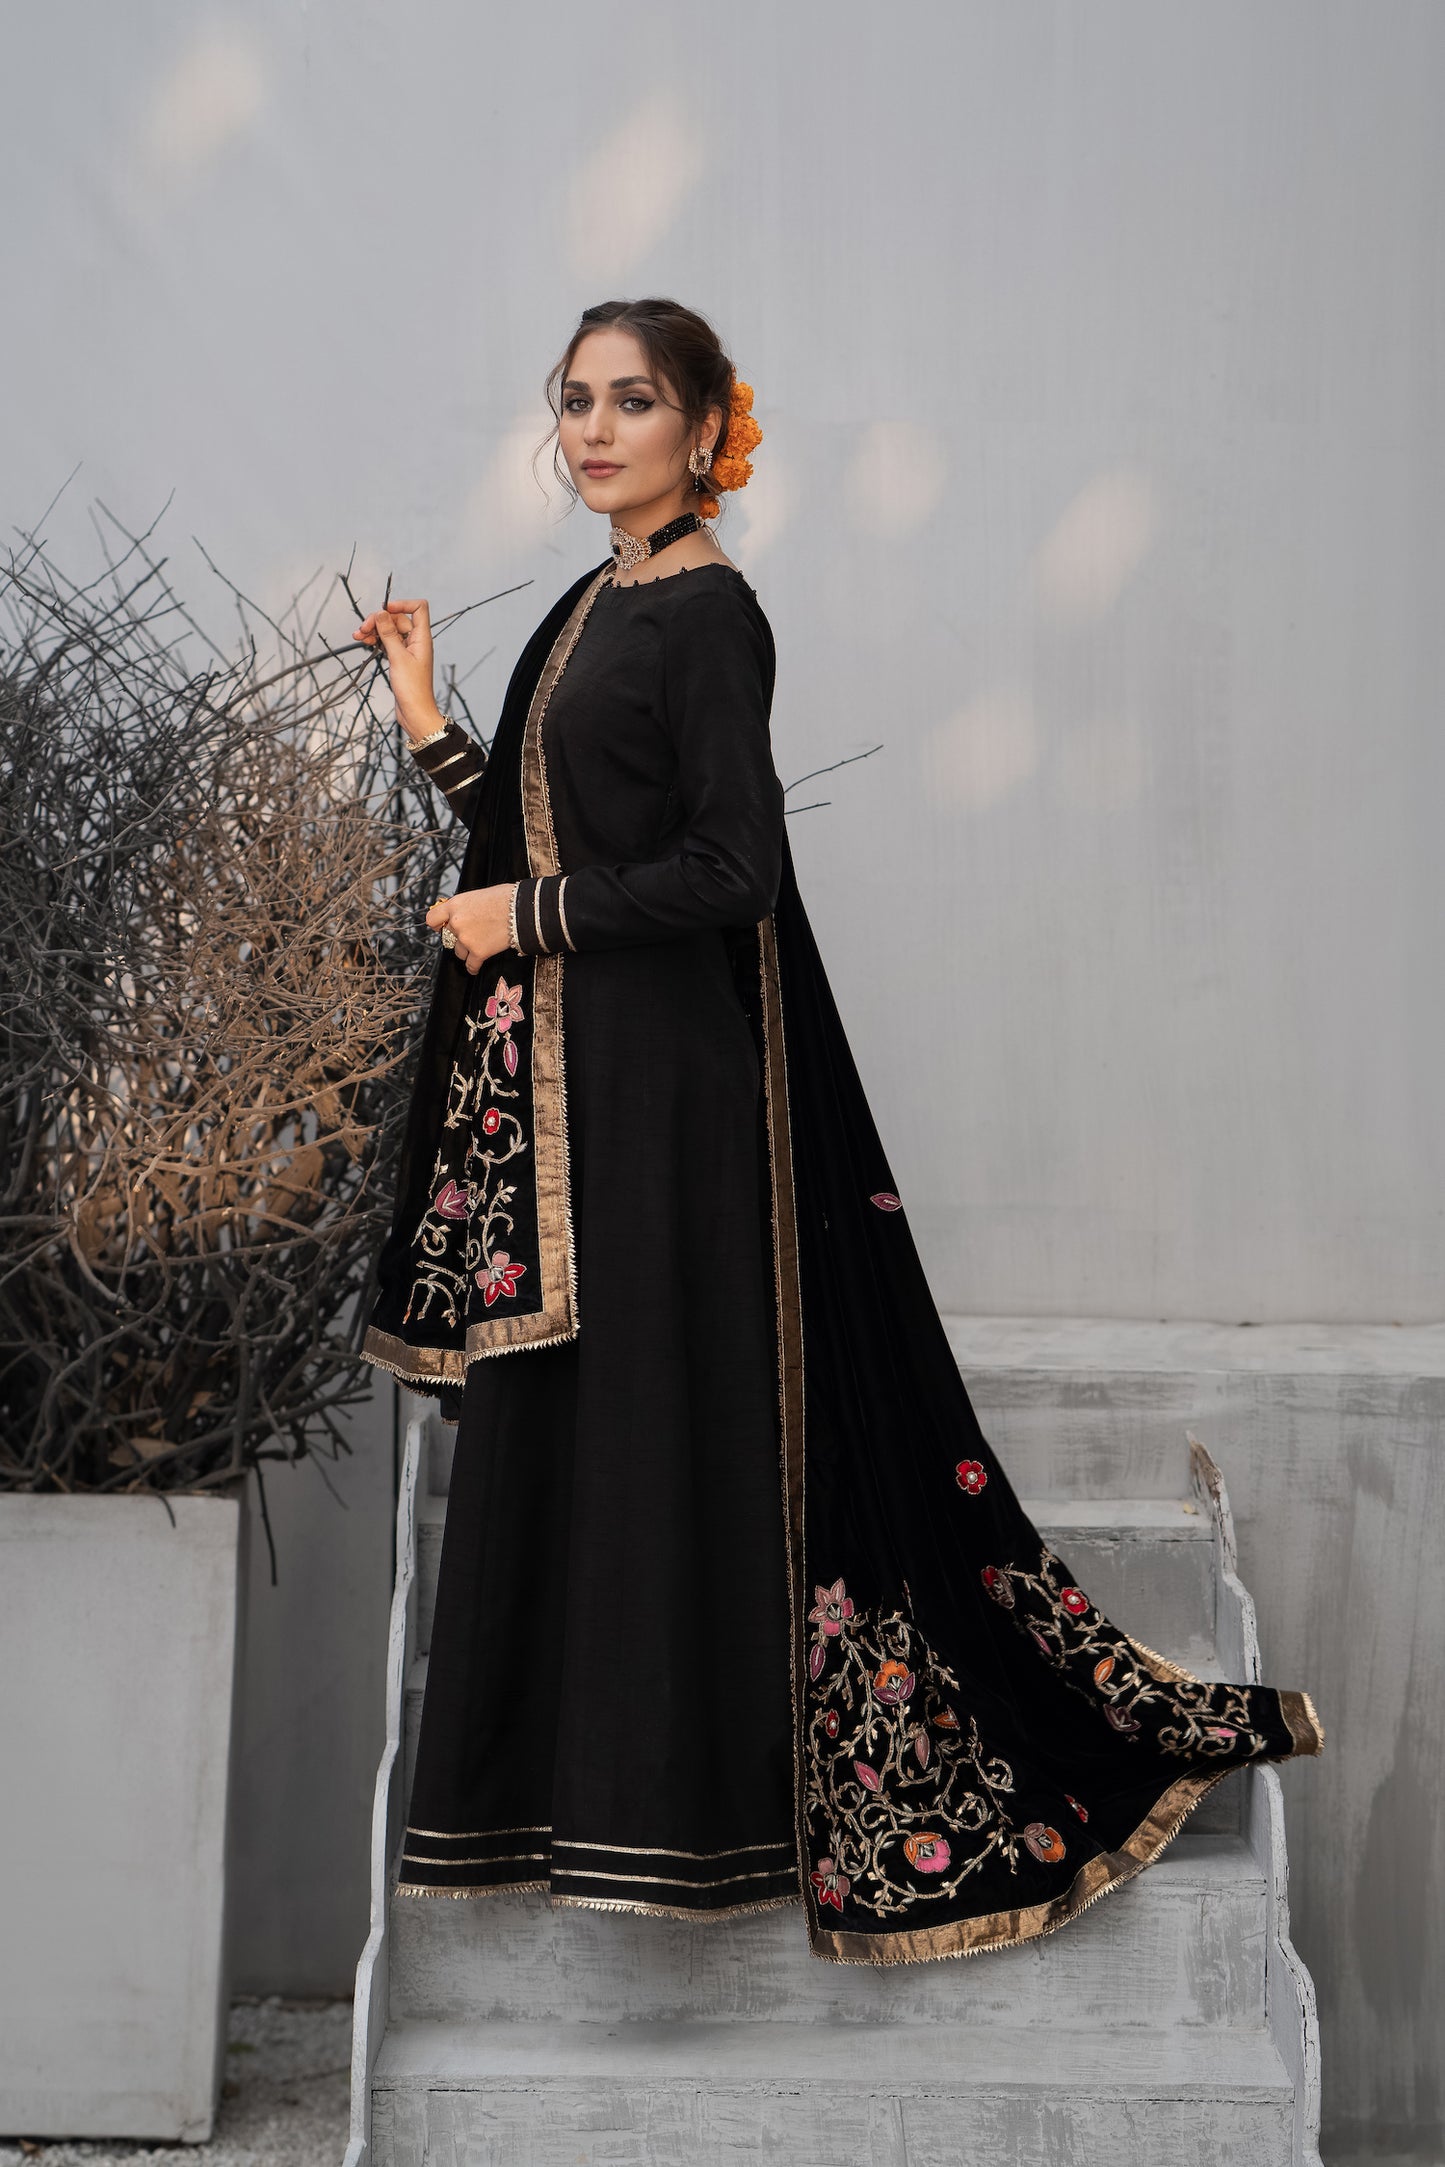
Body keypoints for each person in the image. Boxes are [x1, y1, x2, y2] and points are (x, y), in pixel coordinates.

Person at [354, 297, 1322, 1965]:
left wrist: (532, 919)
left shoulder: (708, 614)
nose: (594, 430)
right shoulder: (598, 597)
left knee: (652, 1443)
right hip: (576, 1104)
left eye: (632, 401)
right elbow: (544, 832)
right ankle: (578, 1813)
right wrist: (432, 718)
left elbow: (732, 871)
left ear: (704, 425)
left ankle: (692, 1822)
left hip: (661, 1108)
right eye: (574, 401)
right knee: (585, 1440)